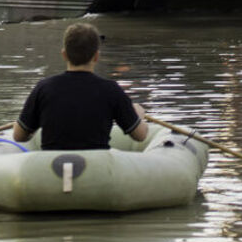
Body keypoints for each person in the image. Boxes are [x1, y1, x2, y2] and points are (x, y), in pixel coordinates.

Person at [13, 23, 148, 150]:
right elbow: (140, 136)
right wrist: (139, 116)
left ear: (64, 55)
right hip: (96, 169)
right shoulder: (111, 90)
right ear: (96, 56)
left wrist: (33, 123)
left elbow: (18, 136)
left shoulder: (43, 88)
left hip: (52, 170)